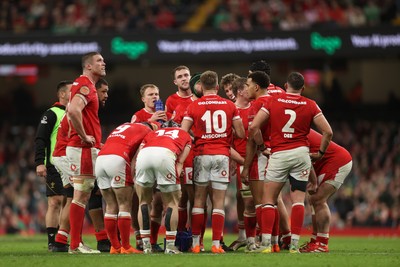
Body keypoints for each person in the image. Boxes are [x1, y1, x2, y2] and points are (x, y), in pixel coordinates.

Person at [246, 72, 333, 253]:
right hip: (301, 153)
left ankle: (266, 245)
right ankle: (294, 245)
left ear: (286, 86)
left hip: (279, 153)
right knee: (298, 201)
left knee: (269, 199)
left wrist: (262, 147)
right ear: (302, 88)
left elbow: (254, 127)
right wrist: (321, 152)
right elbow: (328, 132)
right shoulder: (310, 104)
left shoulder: (272, 101)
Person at [181, 70, 245, 254]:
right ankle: (216, 244)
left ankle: (195, 244)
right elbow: (240, 133)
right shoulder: (229, 106)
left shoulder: (193, 106)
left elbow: (184, 132)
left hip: (201, 155)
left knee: (199, 200)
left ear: (201, 86)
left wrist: (199, 136)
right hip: (222, 155)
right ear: (217, 87)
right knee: (218, 202)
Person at [52, 79, 111, 253]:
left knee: (76, 195)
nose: (105, 95)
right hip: (67, 154)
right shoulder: (79, 107)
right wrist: (86, 137)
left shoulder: (82, 112)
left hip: (63, 153)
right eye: (103, 91)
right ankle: (81, 242)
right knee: (83, 194)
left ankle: (62, 240)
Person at [96, 122, 159, 254]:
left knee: (110, 205)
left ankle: (115, 246)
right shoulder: (148, 131)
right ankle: (125, 246)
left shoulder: (124, 126)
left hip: (100, 159)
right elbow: (138, 156)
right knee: (124, 204)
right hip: (118, 159)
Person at [66, 51, 106, 254]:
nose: (103, 62)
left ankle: (76, 243)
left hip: (81, 148)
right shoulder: (85, 85)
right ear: (88, 66)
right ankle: (75, 245)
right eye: (99, 60)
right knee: (81, 195)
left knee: (81, 195)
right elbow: (73, 111)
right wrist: (84, 136)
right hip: (83, 149)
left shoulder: (84, 85)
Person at [135, 126, 192, 254]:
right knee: (172, 203)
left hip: (144, 156)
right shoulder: (185, 135)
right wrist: (173, 184)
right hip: (165, 155)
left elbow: (140, 151)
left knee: (143, 201)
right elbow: (180, 162)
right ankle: (170, 247)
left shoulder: (153, 133)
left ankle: (146, 246)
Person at [299, 129, 353, 253]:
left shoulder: (295, 134)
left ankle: (322, 243)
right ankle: (315, 241)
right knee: (313, 198)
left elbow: (304, 159)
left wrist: (312, 181)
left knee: (318, 199)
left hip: (336, 161)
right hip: (325, 163)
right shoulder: (295, 129)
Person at [130, 83, 169, 252]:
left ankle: (153, 241)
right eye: (151, 94)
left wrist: (168, 123)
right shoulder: (138, 116)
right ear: (143, 98)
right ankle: (140, 238)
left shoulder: (167, 115)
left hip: (161, 163)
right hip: (142, 163)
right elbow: (130, 138)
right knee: (140, 201)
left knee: (159, 203)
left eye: (157, 94)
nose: (154, 97)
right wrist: (149, 122)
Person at [34, 80, 71, 251]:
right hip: (54, 163)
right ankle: (52, 241)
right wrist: (40, 163)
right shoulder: (51, 113)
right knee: (55, 201)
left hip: (72, 165)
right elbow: (40, 139)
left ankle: (64, 238)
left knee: (70, 201)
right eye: (72, 91)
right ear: (62, 94)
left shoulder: (75, 112)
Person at [240, 71, 272, 252]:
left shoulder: (257, 104)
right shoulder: (275, 101)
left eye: (248, 84)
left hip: (262, 157)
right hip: (277, 155)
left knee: (261, 202)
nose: (247, 88)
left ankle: (264, 243)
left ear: (257, 87)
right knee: (272, 201)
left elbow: (254, 132)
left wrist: (260, 148)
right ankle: (274, 242)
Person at [227, 77, 256, 251]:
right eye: (247, 87)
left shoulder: (256, 107)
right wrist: (239, 162)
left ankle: (265, 238)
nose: (251, 90)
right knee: (246, 200)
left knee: (261, 199)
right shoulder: (231, 111)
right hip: (242, 161)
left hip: (259, 160)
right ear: (240, 91)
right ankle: (245, 237)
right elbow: (227, 143)